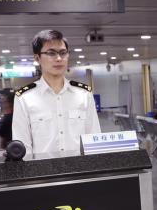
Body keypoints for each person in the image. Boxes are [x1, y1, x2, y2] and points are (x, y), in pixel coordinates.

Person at [12, 29, 101, 158]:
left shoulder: (84, 94)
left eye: (63, 53)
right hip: (43, 170)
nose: (59, 58)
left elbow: (94, 139)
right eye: (51, 53)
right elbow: (24, 148)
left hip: (79, 169)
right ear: (37, 58)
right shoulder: (25, 98)